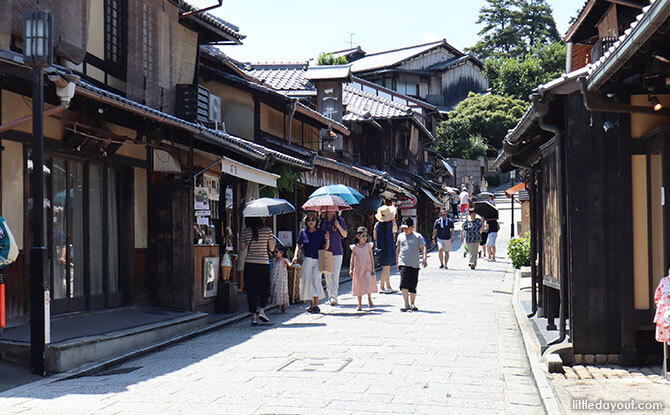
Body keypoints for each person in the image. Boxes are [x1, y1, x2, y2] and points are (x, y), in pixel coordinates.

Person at [240, 217, 275, 325]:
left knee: (252, 290)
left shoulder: (246, 231)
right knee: (264, 289)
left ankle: (254, 317)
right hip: (263, 263)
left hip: (250, 264)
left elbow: (242, 247)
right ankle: (262, 311)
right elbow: (272, 249)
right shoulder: (267, 230)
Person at [292, 213, 329, 313]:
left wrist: (327, 239)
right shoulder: (303, 232)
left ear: (316, 222)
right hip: (307, 259)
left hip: (318, 259)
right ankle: (311, 304)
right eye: (309, 220)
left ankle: (316, 304)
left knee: (316, 281)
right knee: (307, 281)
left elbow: (325, 247)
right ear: (306, 222)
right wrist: (295, 256)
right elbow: (298, 245)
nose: (311, 221)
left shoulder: (321, 233)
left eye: (313, 219)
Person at [396, 217, 427, 312]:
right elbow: (398, 249)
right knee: (404, 283)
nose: (405, 230)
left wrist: (424, 258)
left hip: (414, 264)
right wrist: (397, 262)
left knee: (413, 284)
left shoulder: (417, 236)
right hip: (403, 263)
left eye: (407, 228)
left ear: (412, 227)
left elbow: (423, 247)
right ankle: (406, 304)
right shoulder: (400, 236)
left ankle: (413, 303)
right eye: (403, 228)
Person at [320, 211, 347, 305]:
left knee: (335, 275)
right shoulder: (322, 221)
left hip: (337, 251)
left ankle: (334, 296)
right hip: (325, 251)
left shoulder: (340, 220)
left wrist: (338, 226)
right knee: (327, 276)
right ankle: (330, 296)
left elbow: (345, 234)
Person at [349, 226, 378, 311]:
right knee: (359, 286)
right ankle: (360, 303)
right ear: (358, 236)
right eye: (363, 235)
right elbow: (352, 258)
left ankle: (369, 299)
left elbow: (371, 257)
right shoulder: (355, 247)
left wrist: (373, 268)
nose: (365, 238)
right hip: (358, 269)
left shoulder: (368, 246)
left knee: (368, 282)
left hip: (367, 268)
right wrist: (351, 268)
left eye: (366, 236)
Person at [374, 203, 397, 293]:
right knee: (386, 268)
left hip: (381, 247)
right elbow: (395, 231)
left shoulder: (377, 225)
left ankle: (388, 286)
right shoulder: (391, 224)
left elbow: (375, 237)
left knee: (385, 267)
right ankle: (382, 287)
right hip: (389, 247)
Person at [269, 246, 290, 313]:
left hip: (281, 279)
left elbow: (289, 264)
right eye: (274, 251)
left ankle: (280, 307)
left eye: (276, 251)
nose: (275, 253)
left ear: (282, 253)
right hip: (274, 278)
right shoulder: (274, 260)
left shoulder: (284, 260)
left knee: (280, 291)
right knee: (275, 291)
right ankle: (281, 306)